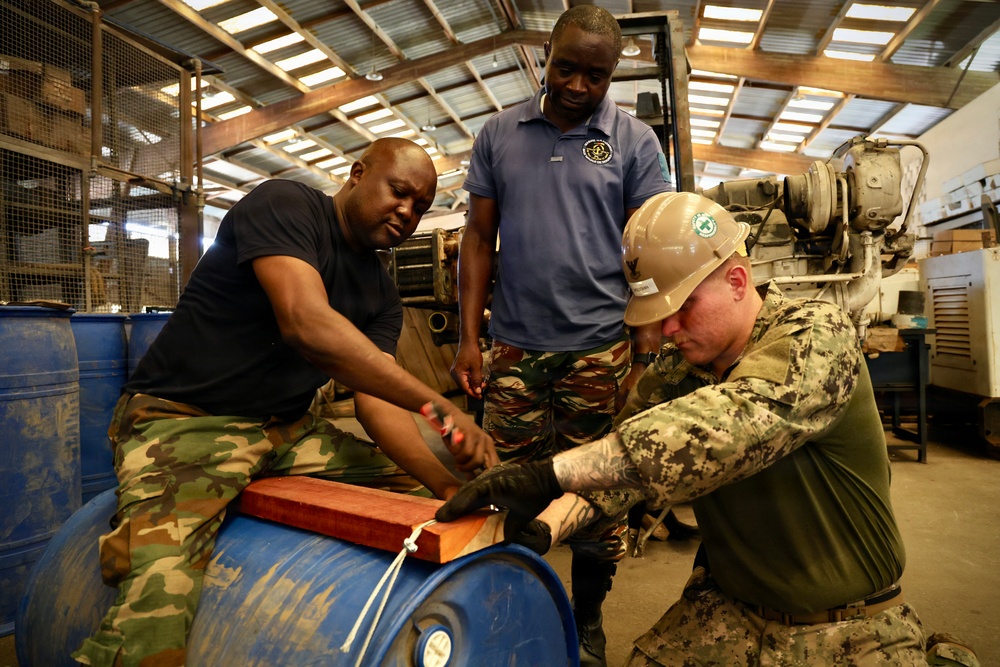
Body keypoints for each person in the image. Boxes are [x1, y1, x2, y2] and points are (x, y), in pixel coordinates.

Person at [436, 191, 980, 666]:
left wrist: (549, 471)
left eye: (682, 307)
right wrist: (539, 533)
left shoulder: (818, 334)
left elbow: (727, 429)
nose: (666, 329)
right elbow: (619, 471)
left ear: (738, 281)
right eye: (657, 313)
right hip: (731, 606)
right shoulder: (678, 368)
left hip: (847, 625)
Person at [73, 137, 498, 667]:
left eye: (420, 207)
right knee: (160, 582)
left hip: (287, 431)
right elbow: (306, 323)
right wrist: (444, 409)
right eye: (399, 192)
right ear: (356, 172)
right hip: (183, 423)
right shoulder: (285, 206)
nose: (408, 212)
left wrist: (446, 485)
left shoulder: (381, 293)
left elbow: (375, 399)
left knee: (427, 506)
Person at [449, 7, 672, 664]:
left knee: (595, 493)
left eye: (596, 75)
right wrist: (470, 338)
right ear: (547, 54)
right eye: (566, 67)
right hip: (515, 348)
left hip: (600, 349)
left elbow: (650, 249)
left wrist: (646, 352)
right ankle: (517, 607)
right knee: (513, 484)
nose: (578, 84)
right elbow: (477, 239)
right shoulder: (499, 133)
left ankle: (588, 617)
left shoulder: (634, 142)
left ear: (614, 73)